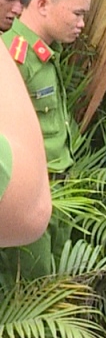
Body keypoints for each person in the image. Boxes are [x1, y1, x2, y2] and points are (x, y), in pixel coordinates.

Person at [0, 0, 92, 338]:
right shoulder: (13, 56)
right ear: (42, 6)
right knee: (25, 296)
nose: (81, 24)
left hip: (53, 188)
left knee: (43, 293)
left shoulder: (44, 55)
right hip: (25, 195)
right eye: (76, 13)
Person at [0, 46, 49, 247]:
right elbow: (31, 210)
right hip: (31, 180)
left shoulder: (47, 55)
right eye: (77, 14)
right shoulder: (20, 50)